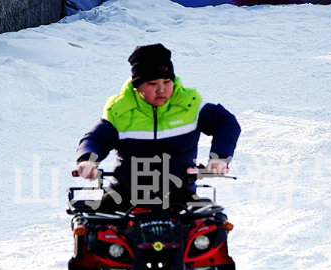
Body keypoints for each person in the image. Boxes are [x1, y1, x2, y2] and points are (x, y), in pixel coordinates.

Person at [75, 43, 241, 211]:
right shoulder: (120, 111)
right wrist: (88, 160)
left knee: (210, 227)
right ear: (136, 85)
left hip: (179, 191)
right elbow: (95, 138)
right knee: (97, 229)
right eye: (152, 83)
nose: (161, 89)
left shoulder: (190, 105)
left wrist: (219, 157)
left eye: (167, 81)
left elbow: (226, 123)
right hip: (125, 192)